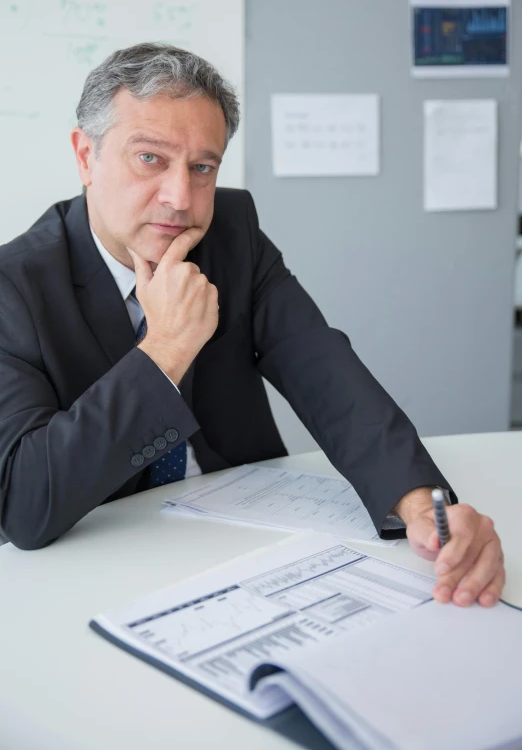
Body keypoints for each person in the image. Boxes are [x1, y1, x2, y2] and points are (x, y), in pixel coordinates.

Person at [0, 43, 503, 608]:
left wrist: (421, 504)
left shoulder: (231, 231)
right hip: (95, 570)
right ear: (85, 156)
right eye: (150, 158)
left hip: (249, 539)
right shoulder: (13, 287)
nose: (179, 198)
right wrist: (165, 349)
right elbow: (24, 503)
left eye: (202, 167)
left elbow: (324, 370)